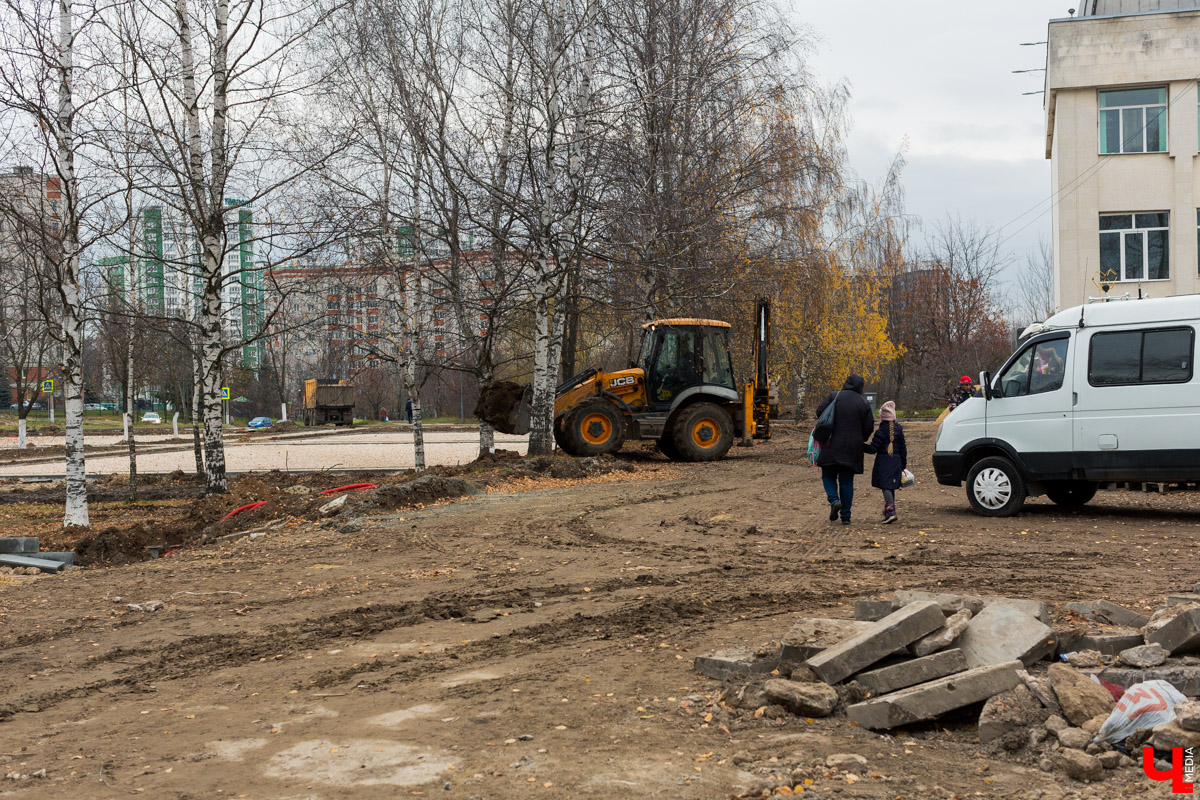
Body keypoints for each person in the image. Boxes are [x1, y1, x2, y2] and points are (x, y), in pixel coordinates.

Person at [815, 374, 874, 525]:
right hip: (852, 448)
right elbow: (869, 427)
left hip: (830, 444)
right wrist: (860, 438)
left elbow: (819, 411)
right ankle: (846, 516)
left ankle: (834, 500)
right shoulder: (863, 403)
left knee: (828, 475)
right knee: (847, 481)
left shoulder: (835, 396)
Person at [864, 400, 907, 524]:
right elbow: (903, 449)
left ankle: (891, 510)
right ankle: (889, 511)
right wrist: (903, 464)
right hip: (897, 461)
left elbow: (873, 449)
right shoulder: (899, 431)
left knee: (885, 486)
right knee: (891, 486)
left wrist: (861, 446)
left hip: (884, 462)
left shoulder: (880, 432)